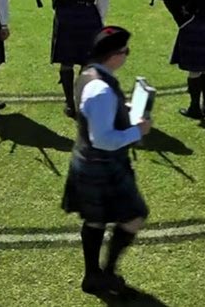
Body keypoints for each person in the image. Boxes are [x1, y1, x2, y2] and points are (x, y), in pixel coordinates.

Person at [61, 26, 152, 297]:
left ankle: (93, 277)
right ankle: (106, 273)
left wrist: (123, 111)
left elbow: (96, 117)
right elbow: (103, 139)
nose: (126, 57)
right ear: (113, 55)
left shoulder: (90, 74)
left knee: (95, 219)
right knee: (134, 217)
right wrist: (138, 130)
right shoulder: (100, 89)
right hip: (102, 163)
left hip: (88, 161)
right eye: (125, 52)